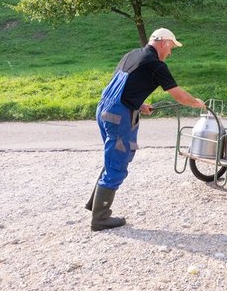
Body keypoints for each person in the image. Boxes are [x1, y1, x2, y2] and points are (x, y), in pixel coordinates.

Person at [86, 28, 206, 231]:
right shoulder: (156, 65)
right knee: (118, 161)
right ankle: (100, 218)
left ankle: (95, 204)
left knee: (112, 156)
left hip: (104, 108)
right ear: (164, 43)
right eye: (171, 48)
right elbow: (178, 95)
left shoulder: (132, 55)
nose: (170, 53)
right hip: (118, 115)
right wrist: (196, 103)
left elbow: (121, 85)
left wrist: (140, 105)